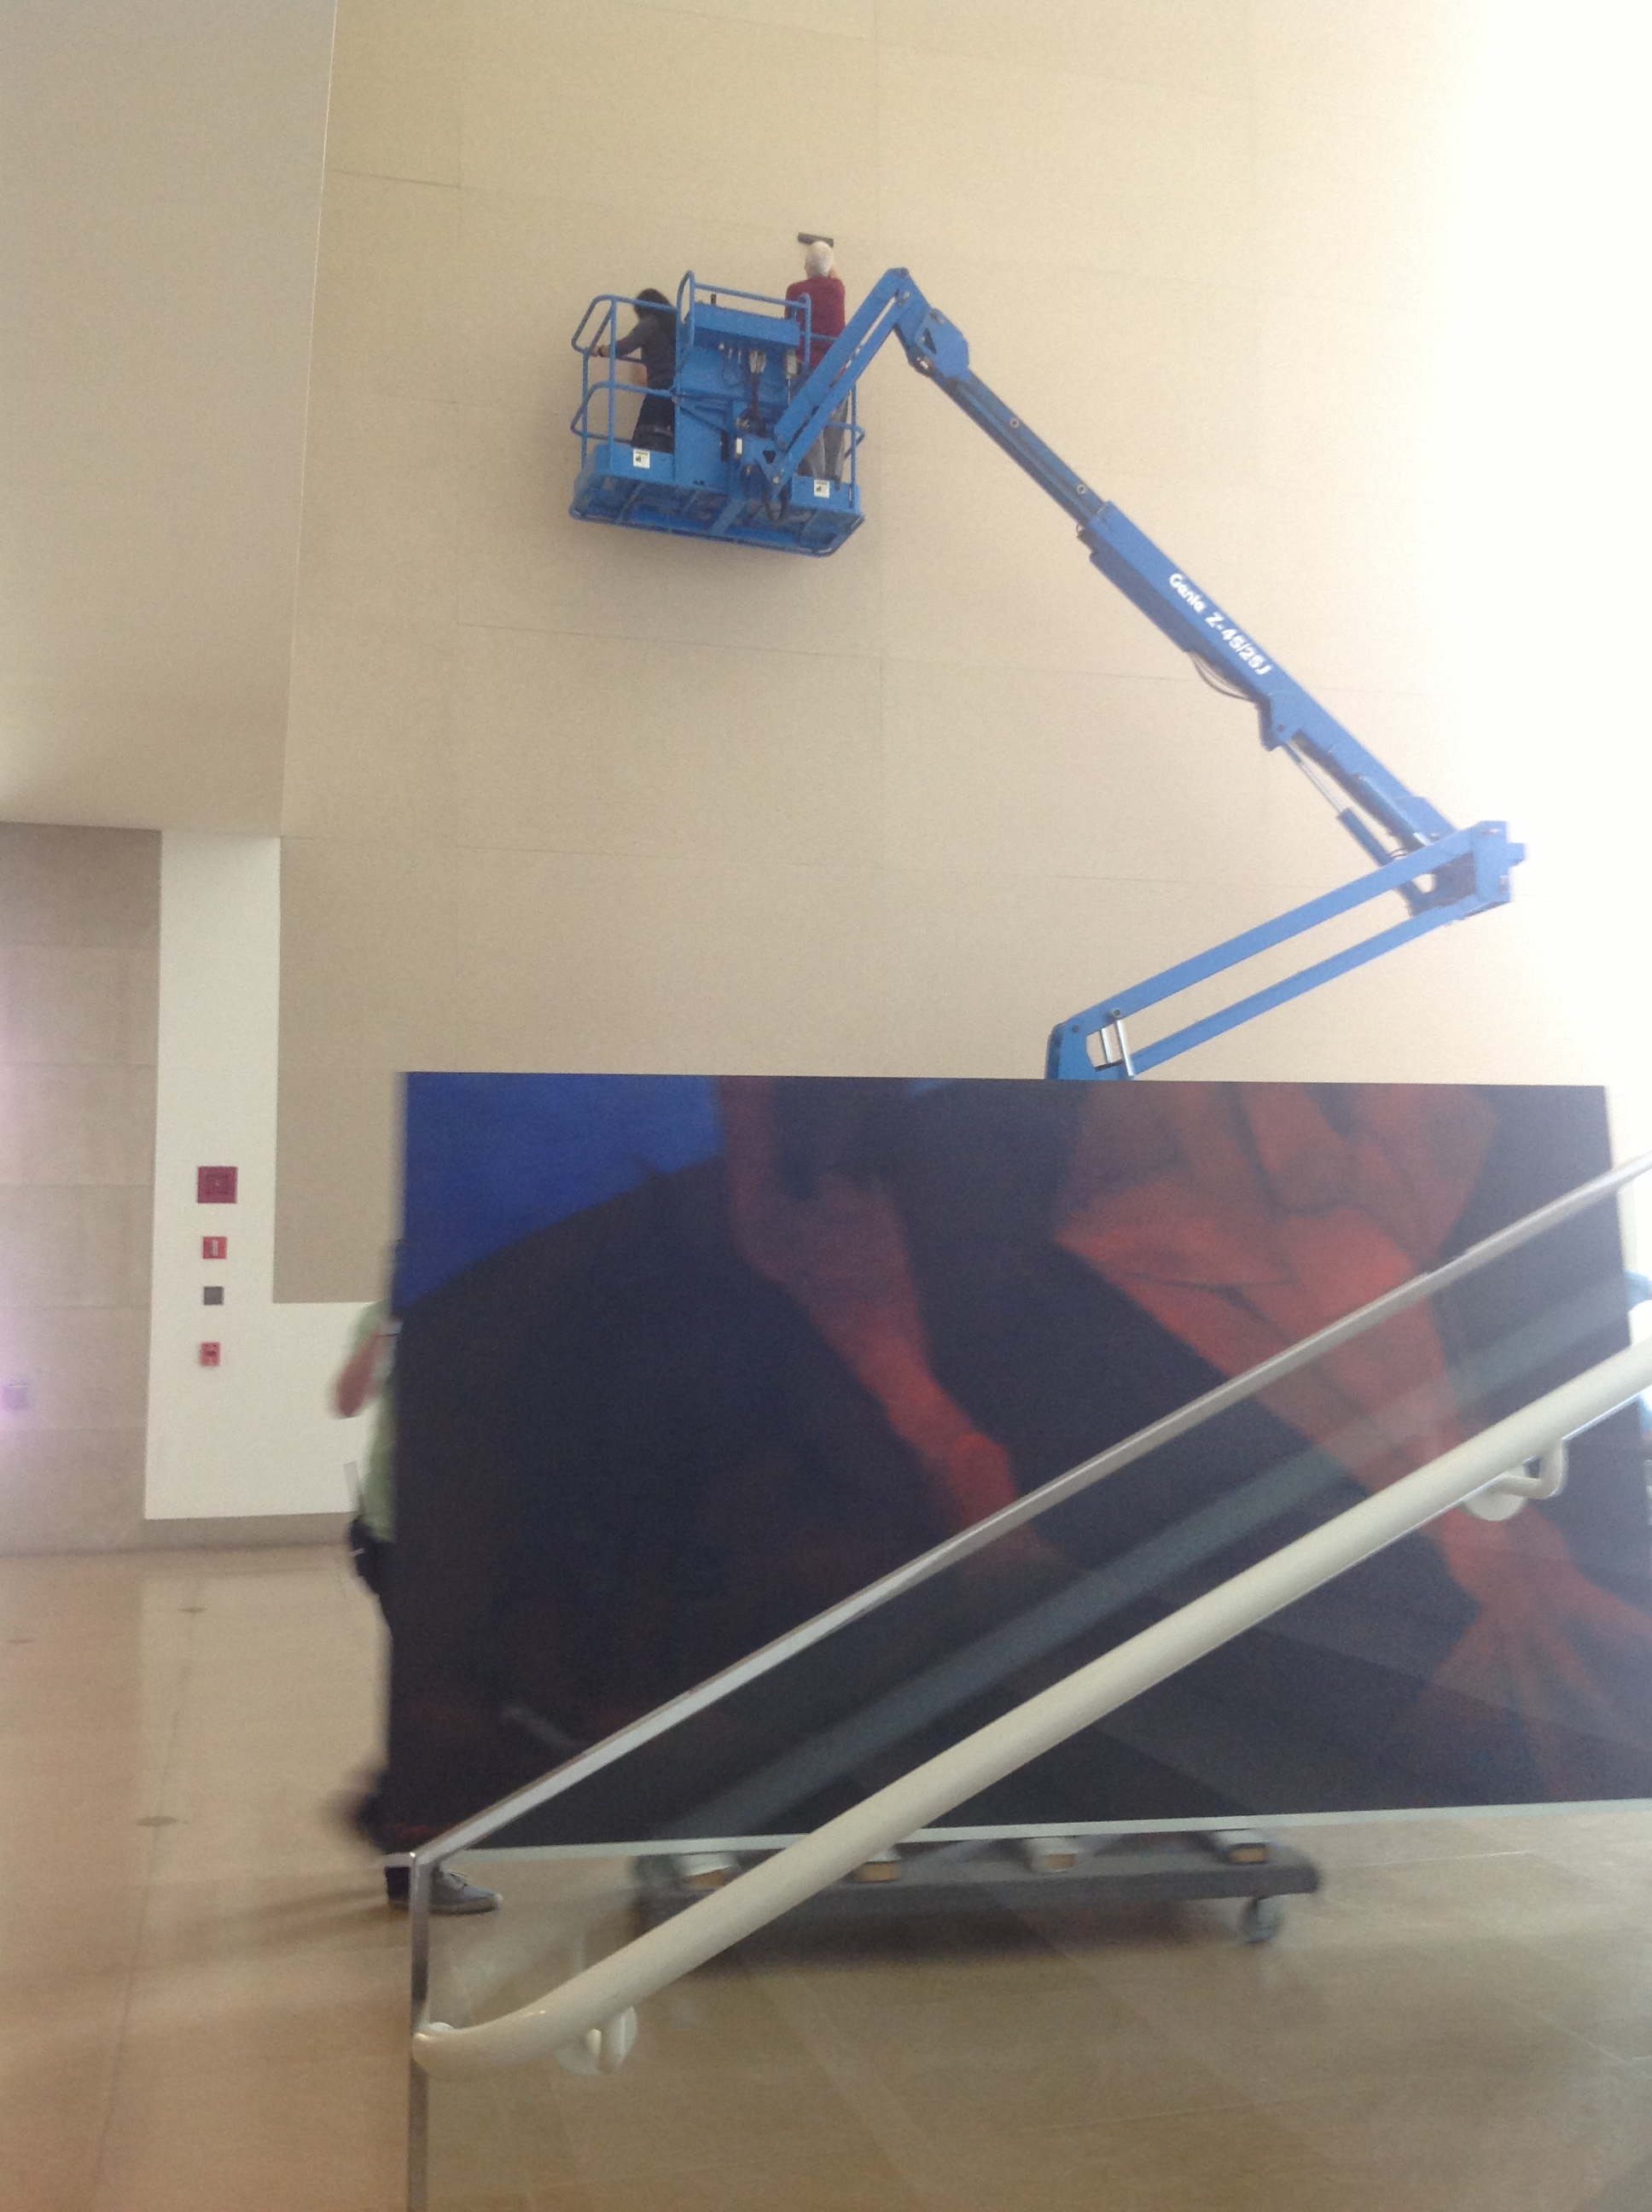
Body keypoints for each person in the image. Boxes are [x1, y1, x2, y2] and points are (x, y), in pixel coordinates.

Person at [334, 1296, 500, 1916]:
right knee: (439, 1697)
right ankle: (410, 1853)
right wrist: (386, 1328)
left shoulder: (487, 1310)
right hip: (398, 1538)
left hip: (464, 1541)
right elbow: (347, 1400)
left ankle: (389, 1820)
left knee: (450, 1692)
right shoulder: (385, 1317)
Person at [786, 237, 847, 479]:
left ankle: (813, 478)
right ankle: (831, 481)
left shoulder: (796, 291)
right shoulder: (838, 290)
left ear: (806, 266)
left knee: (809, 423)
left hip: (807, 366)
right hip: (836, 371)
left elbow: (788, 329)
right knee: (834, 426)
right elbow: (834, 274)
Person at [596, 286, 676, 452]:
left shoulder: (651, 323)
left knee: (644, 436)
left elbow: (626, 345)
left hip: (660, 387)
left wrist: (601, 350)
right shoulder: (676, 328)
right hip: (679, 391)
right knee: (673, 436)